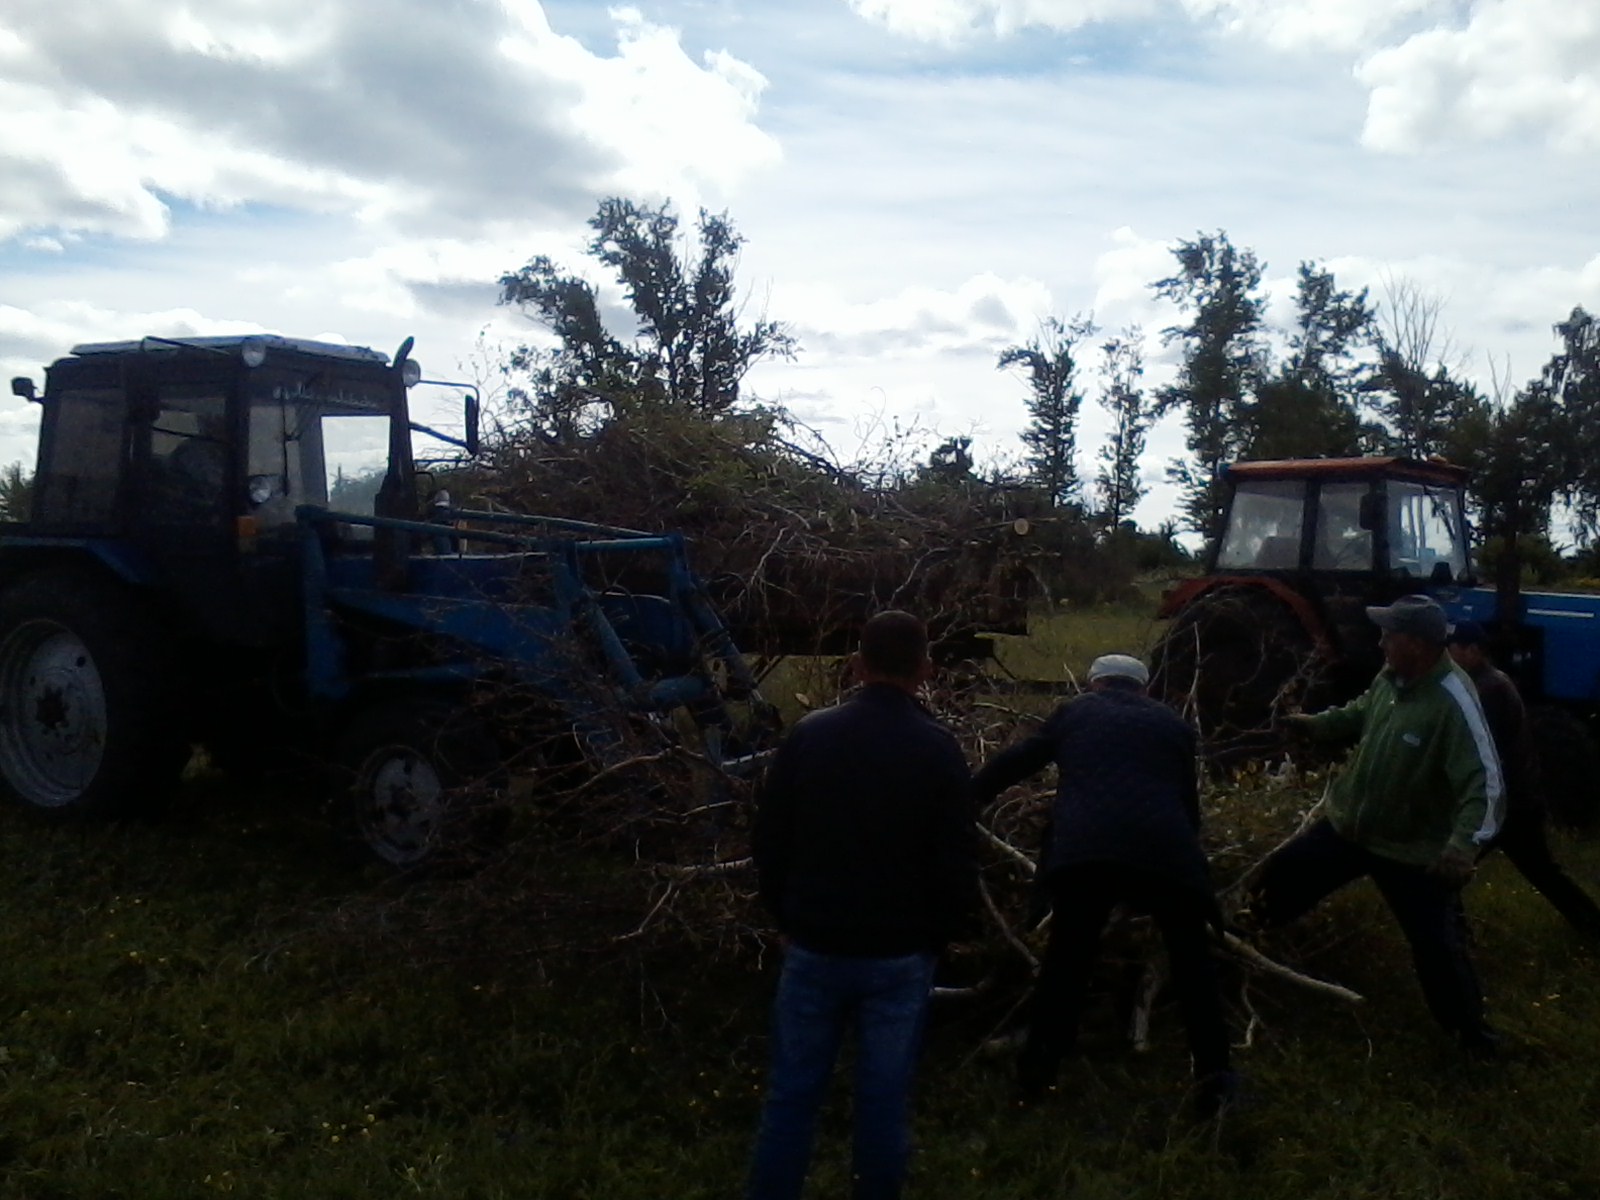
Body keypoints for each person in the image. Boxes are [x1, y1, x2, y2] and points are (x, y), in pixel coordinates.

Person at [747, 610, 976, 1200]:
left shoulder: (811, 734)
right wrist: (939, 936)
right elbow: (954, 860)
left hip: (815, 943)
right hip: (899, 955)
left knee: (792, 1095)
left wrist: (786, 919)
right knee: (882, 1100)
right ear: (925, 670)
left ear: (856, 665)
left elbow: (770, 841)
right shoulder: (938, 748)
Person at [972, 652, 1235, 1114]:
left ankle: (1036, 1078)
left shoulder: (1077, 711)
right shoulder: (1173, 725)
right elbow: (1188, 809)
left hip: (1088, 854)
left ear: (1094, 684)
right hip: (1168, 853)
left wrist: (965, 798)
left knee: (1067, 965)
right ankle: (1215, 1082)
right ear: (1144, 689)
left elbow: (1017, 761)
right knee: (1194, 968)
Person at [1253, 594, 1504, 1054]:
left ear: (1416, 643)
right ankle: (1242, 950)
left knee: (1436, 947)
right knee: (1280, 879)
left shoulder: (1454, 701)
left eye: (1390, 633)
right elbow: (1359, 712)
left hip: (1409, 849)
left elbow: (1485, 784)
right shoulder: (1392, 676)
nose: (1381, 639)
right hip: (1350, 827)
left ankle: (1472, 1038)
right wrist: (1314, 725)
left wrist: (1463, 846)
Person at [1446, 620, 1600, 940]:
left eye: (1454, 648)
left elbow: (1473, 750)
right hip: (1516, 802)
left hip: (1502, 804)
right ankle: (1592, 926)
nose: (1448, 654)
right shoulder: (1488, 682)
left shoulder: (1486, 689)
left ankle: (1456, 939)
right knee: (1544, 873)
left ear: (1473, 651)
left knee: (1447, 869)